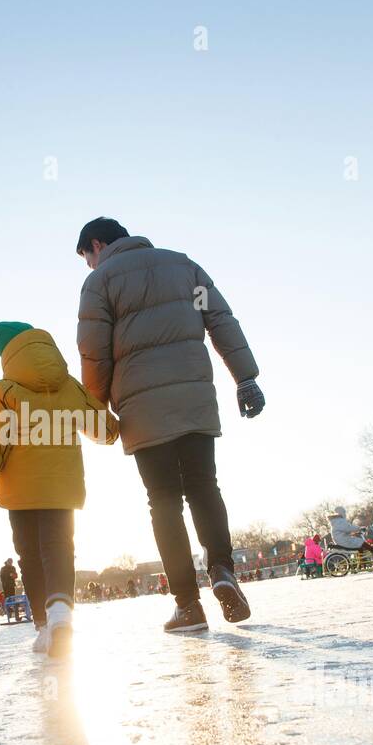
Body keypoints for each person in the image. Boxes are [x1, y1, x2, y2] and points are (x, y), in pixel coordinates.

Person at [75, 217, 263, 634]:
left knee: (163, 500)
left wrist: (97, 410)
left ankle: (187, 606)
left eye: (87, 257)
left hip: (143, 408)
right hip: (194, 397)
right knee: (203, 486)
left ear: (97, 245)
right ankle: (222, 570)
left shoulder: (99, 282)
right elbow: (220, 320)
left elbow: (95, 354)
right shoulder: (183, 266)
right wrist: (245, 377)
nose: (89, 266)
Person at [0, 321, 119, 657]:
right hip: (62, 487)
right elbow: (102, 427)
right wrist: (113, 427)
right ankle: (61, 613)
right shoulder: (68, 386)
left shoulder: (3, 391)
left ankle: (42, 626)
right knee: (59, 548)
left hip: (19, 493)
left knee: (29, 555)